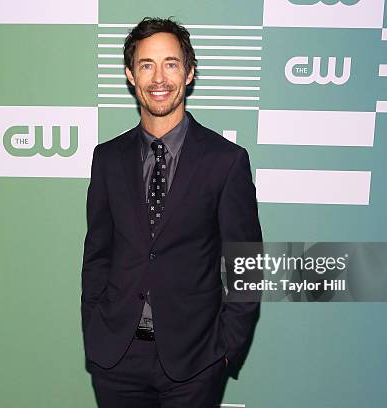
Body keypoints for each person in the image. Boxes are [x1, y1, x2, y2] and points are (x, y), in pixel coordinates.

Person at [81, 17, 262, 407]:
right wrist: (93, 331)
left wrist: (226, 350)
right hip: (116, 357)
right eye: (146, 64)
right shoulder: (107, 158)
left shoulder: (226, 161)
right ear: (131, 75)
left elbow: (246, 264)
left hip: (195, 360)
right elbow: (97, 255)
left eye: (171, 63)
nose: (158, 78)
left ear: (190, 72)